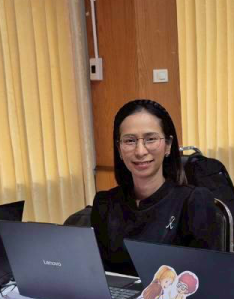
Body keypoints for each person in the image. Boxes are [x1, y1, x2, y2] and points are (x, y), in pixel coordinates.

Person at [91, 99, 223, 277]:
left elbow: (206, 278)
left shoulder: (193, 201)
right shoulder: (104, 203)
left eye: (151, 139)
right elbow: (97, 274)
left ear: (168, 145)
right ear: (119, 148)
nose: (140, 151)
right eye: (129, 141)